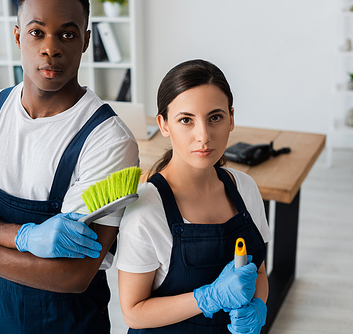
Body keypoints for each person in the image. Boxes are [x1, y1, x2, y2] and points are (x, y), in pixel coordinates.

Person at [0, 0, 138, 333]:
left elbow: (71, 275)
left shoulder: (109, 140)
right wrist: (25, 237)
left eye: (67, 35)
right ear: (17, 36)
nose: (50, 49)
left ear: (86, 40)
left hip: (71, 321)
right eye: (37, 32)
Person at [116, 59, 272, 333]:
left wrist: (259, 304)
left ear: (231, 118)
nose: (204, 136)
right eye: (186, 120)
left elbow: (258, 272)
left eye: (215, 117)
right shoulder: (146, 211)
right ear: (164, 124)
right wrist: (208, 298)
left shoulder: (245, 189)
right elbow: (134, 313)